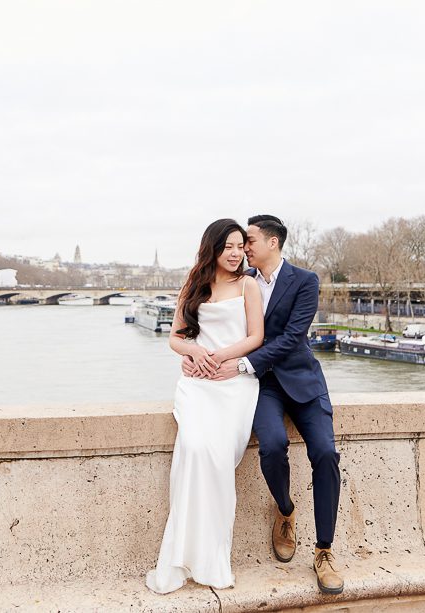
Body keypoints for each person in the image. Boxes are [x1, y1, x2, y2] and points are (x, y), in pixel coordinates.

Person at [181, 214, 344, 595]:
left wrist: (238, 363)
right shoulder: (242, 282)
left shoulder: (305, 281)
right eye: (238, 244)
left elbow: (291, 337)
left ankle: (324, 551)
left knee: (325, 453)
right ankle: (285, 510)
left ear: (273, 242)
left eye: (249, 241)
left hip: (302, 382)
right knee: (271, 446)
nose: (243, 248)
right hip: (263, 385)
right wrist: (193, 353)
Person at [146, 219, 265, 594]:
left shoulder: (248, 285)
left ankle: (213, 555)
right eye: (227, 246)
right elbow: (175, 339)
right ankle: (183, 553)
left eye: (239, 246)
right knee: (194, 448)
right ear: (212, 248)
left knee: (217, 456)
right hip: (197, 384)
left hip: (234, 384)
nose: (235, 253)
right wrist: (195, 351)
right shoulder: (193, 283)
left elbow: (256, 336)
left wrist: (220, 358)